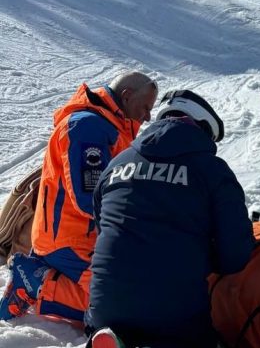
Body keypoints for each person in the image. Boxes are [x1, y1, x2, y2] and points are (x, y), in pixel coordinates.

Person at [85, 89, 254, 348]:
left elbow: (102, 226)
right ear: (203, 131)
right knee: (198, 334)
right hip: (172, 307)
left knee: (115, 320)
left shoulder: (116, 164)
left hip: (106, 301)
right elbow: (236, 256)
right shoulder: (212, 170)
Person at [0, 72, 158, 323]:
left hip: (78, 234)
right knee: (119, 304)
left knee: (141, 285)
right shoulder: (89, 127)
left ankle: (43, 277)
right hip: (72, 240)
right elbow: (91, 197)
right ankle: (36, 282)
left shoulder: (110, 127)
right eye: (146, 107)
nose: (148, 116)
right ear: (127, 97)